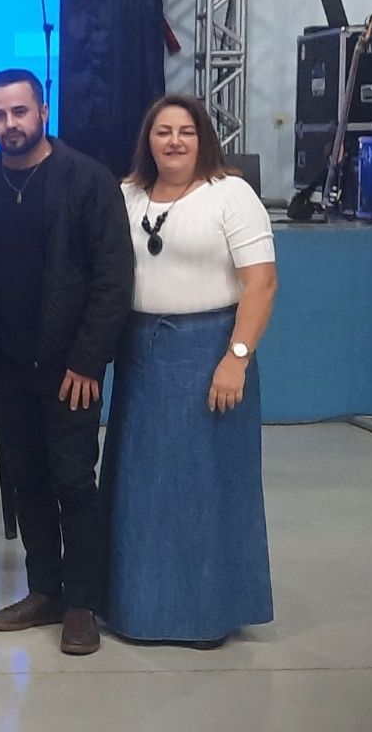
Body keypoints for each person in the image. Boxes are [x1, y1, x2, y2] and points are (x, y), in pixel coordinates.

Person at [0, 68, 133, 656]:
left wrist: (88, 361)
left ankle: (81, 603)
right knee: (26, 479)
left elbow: (114, 279)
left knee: (72, 481)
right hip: (6, 366)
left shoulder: (86, 180)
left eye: (19, 112)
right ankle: (44, 591)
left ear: (41, 109)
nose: (9, 125)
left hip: (70, 370)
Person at [103, 94, 277, 647]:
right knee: (141, 487)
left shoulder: (232, 195)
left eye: (185, 131)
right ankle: (138, 611)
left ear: (203, 138)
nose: (174, 141)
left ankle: (205, 615)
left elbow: (261, 282)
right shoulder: (125, 196)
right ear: (147, 140)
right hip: (141, 355)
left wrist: (237, 357)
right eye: (162, 132)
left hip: (210, 351)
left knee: (205, 486)